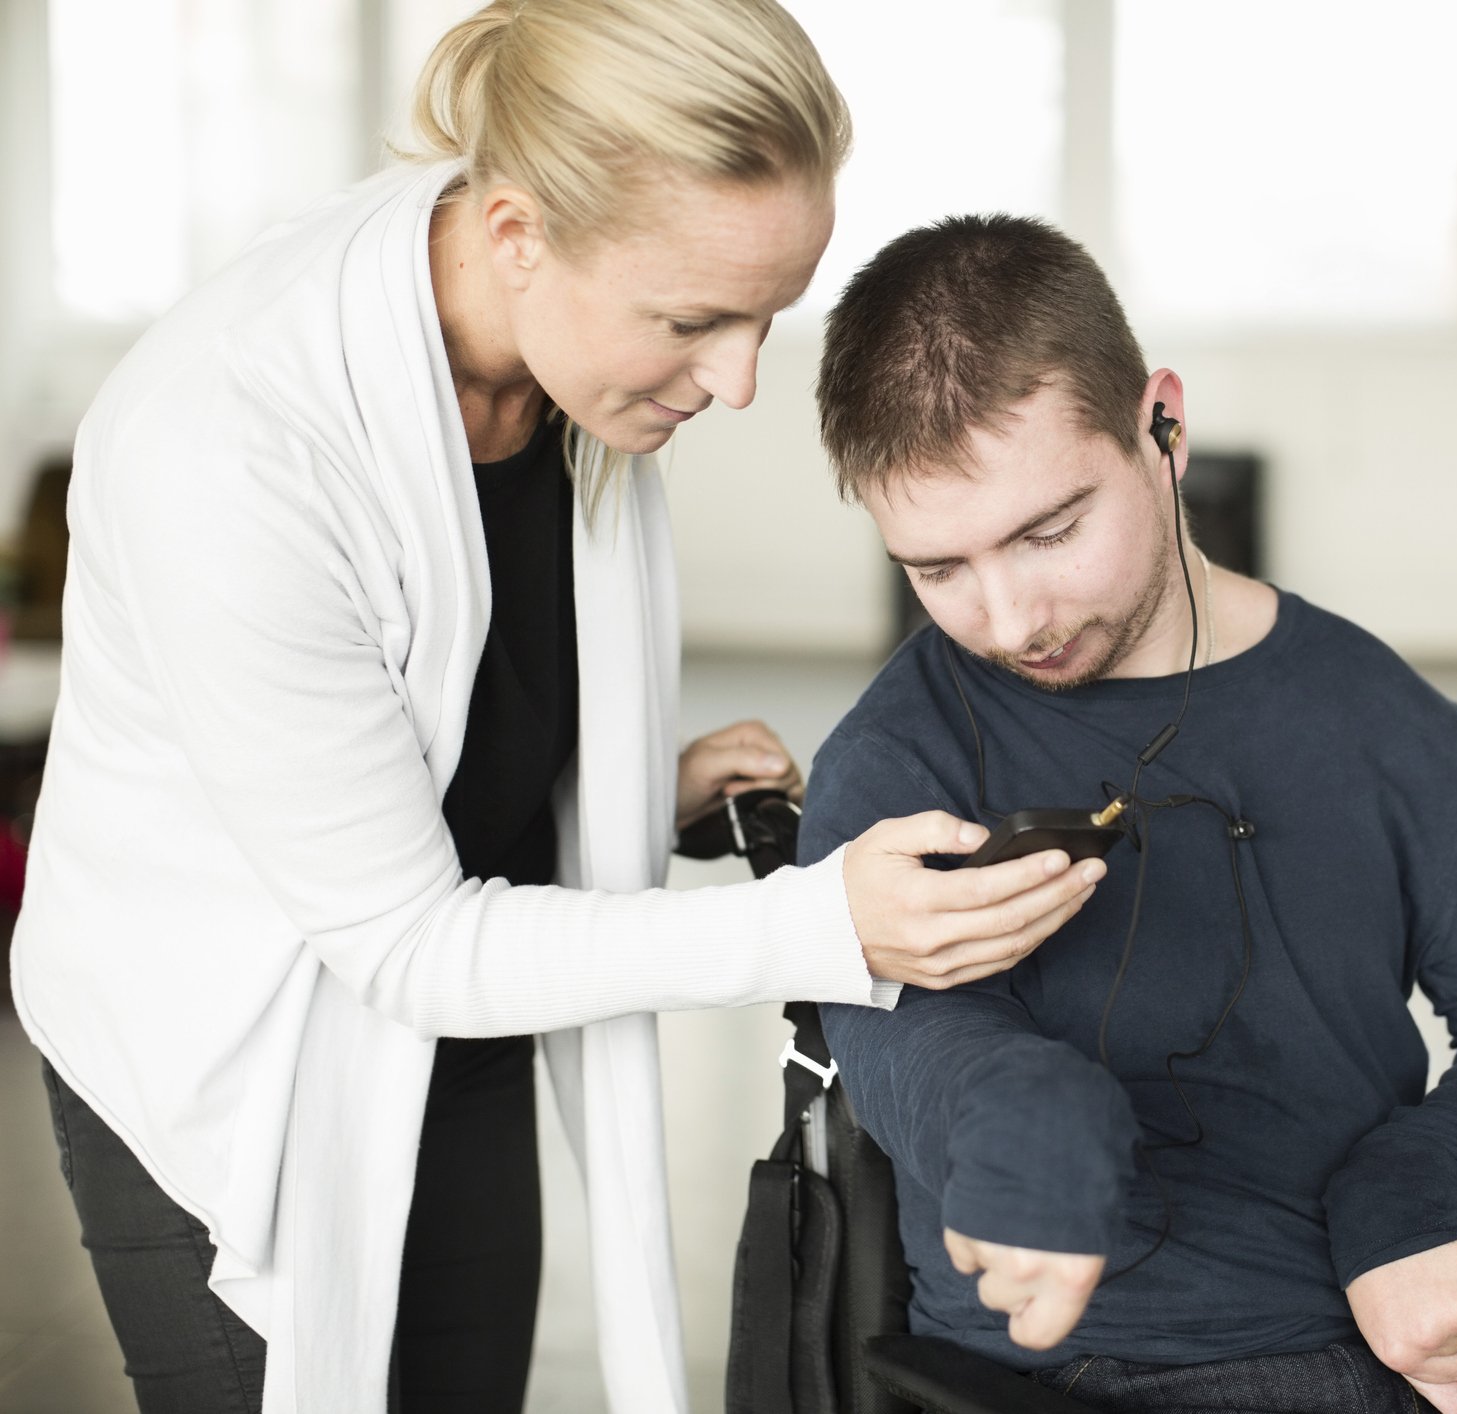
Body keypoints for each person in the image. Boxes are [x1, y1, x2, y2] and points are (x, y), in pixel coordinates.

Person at [10, 8, 1103, 1414]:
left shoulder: (557, 366)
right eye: (694, 320)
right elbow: (399, 935)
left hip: (448, 1017)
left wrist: (626, 791)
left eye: (768, 313)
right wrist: (822, 927)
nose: (738, 379)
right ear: (518, 230)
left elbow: (431, 717)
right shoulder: (226, 446)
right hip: (238, 1059)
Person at [800, 215, 1457, 1414]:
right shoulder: (896, 751)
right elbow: (897, 1034)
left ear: (1162, 426)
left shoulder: (1378, 713)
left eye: (1051, 530)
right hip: (1057, 1372)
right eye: (937, 570)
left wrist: (1413, 1194)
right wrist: (1028, 1123)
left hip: (1371, 1338)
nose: (1011, 614)